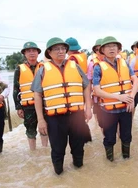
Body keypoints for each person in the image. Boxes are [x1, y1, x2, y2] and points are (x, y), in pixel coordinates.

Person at [31, 37, 92, 175]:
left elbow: (86, 86)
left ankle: (79, 175)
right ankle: (59, 176)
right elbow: (37, 95)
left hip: (76, 116)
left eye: (63, 48)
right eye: (57, 49)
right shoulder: (42, 70)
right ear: (49, 52)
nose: (61, 51)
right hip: (55, 118)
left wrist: (88, 108)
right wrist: (41, 119)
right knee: (58, 150)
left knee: (78, 147)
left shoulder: (74, 66)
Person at [93, 36, 138, 161]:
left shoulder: (125, 63)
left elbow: (135, 80)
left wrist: (131, 97)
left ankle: (126, 160)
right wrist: (119, 97)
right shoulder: (98, 67)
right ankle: (110, 163)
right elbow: (97, 90)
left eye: (114, 46)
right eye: (108, 46)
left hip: (126, 109)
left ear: (118, 49)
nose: (111, 48)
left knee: (126, 136)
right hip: (108, 111)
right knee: (109, 138)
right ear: (102, 50)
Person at [13, 42, 48, 151]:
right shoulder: (19, 69)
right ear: (24, 54)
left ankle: (44, 151)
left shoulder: (44, 67)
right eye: (28, 51)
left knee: (45, 128)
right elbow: (15, 89)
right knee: (30, 130)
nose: (31, 53)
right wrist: (18, 107)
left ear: (38, 53)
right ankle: (33, 153)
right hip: (28, 106)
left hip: (43, 104)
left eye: (34, 50)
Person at [87, 39, 104, 129]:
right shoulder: (91, 64)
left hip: (113, 97)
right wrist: (89, 97)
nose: (100, 51)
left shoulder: (117, 62)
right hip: (97, 97)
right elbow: (89, 82)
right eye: (97, 50)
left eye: (101, 48)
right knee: (101, 122)